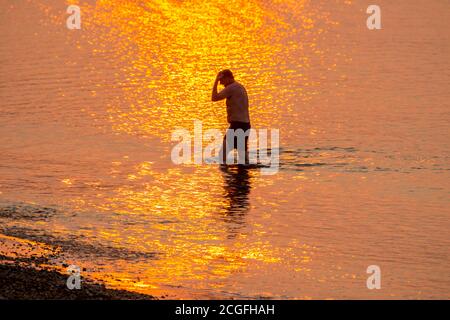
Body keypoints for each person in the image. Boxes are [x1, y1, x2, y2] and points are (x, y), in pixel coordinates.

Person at [211, 69, 251, 164]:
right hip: (245, 125)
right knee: (243, 160)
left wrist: (216, 80)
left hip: (237, 126)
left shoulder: (232, 88)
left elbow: (214, 97)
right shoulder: (240, 87)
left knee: (222, 156)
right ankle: (243, 177)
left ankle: (227, 178)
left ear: (228, 78)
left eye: (222, 81)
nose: (221, 84)